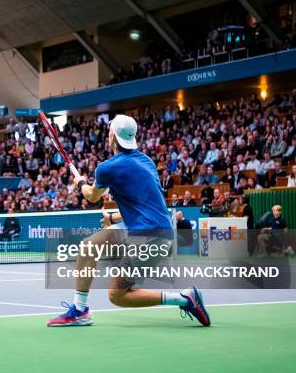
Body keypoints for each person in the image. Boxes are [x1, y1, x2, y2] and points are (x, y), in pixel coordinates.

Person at [47, 115, 210, 327]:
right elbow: (147, 205)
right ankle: (79, 310)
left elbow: (92, 196)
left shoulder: (107, 168)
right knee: (89, 247)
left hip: (152, 236)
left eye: (109, 131)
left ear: (112, 135)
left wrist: (79, 183)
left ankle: (184, 299)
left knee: (117, 295)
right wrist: (115, 216)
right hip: (151, 228)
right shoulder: (146, 161)